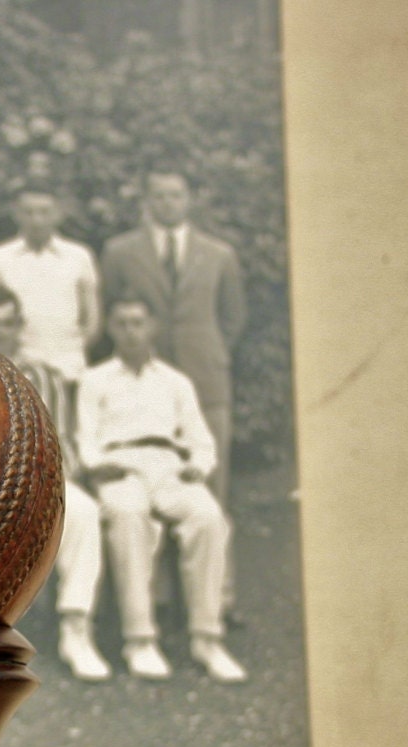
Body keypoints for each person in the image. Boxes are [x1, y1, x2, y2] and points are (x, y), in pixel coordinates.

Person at [76, 298, 245, 683]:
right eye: (122, 324)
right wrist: (99, 466)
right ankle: (140, 639)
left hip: (169, 465)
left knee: (208, 517)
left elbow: (201, 440)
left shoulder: (174, 381)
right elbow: (85, 438)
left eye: (138, 323)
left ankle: (207, 637)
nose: (131, 332)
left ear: (153, 327)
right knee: (128, 515)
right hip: (120, 466)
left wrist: (196, 467)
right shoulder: (95, 380)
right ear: (111, 330)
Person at [0, 286, 109, 681]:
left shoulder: (45, 376)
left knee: (82, 511)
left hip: (39, 480)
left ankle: (76, 628)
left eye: (7, 323)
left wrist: (46, 479)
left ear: (19, 327)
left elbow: (63, 442)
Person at [99, 167, 247, 510]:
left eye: (176, 195)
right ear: (147, 201)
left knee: (209, 468)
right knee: (144, 470)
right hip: (142, 375)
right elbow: (111, 310)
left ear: (189, 200)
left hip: (205, 374)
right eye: (159, 196)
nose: (168, 204)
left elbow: (232, 317)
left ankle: (213, 556)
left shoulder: (218, 254)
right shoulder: (119, 252)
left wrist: (211, 350)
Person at [0, 184, 99, 382]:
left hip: (69, 367)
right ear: (16, 214)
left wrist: (73, 350)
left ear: (59, 213)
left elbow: (92, 319)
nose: (37, 220)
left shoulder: (79, 256)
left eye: (45, 212)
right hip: (16, 369)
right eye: (28, 213)